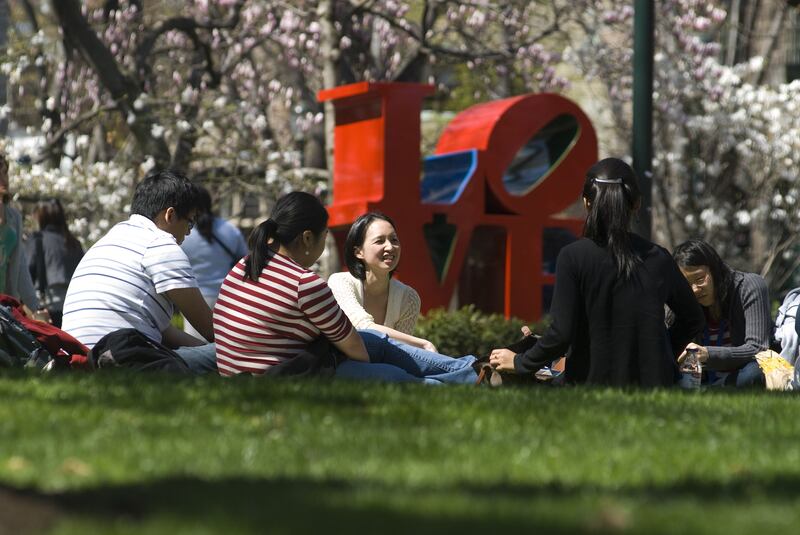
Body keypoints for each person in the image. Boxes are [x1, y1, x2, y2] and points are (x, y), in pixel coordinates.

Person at [213, 191, 478, 384]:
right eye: (324, 236)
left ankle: (473, 371)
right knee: (398, 375)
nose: (390, 248)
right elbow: (357, 349)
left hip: (250, 373)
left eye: (394, 240)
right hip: (287, 378)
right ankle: (473, 378)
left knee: (378, 342)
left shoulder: (245, 265)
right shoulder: (304, 283)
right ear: (307, 238)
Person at [488, 157, 705, 387]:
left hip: (589, 382)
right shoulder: (658, 257)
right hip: (654, 382)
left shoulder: (573, 256)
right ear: (636, 204)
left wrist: (521, 361)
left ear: (586, 203)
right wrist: (660, 353)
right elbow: (693, 318)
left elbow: (561, 335)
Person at [61, 170, 217, 374]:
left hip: (79, 356)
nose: (188, 232)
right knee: (236, 357)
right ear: (170, 215)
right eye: (190, 222)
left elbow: (164, 331)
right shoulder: (161, 245)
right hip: (125, 358)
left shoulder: (109, 240)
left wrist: (202, 348)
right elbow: (210, 329)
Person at [328, 212, 437, 352]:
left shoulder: (409, 298)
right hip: (344, 365)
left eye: (394, 240)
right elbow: (363, 326)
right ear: (358, 252)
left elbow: (402, 351)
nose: (390, 247)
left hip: (387, 365)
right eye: (380, 241)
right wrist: (423, 344)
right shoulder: (340, 282)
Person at [672, 239, 771, 387]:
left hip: (740, 375)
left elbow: (758, 348)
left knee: (756, 372)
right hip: (699, 380)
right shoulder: (681, 299)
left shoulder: (749, 286)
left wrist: (708, 354)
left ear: (714, 269)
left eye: (700, 279)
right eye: (686, 285)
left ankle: (710, 392)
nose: (694, 289)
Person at [180, 185, 247, 340]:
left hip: (194, 298)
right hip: (227, 297)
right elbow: (244, 260)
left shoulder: (183, 233)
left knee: (196, 349)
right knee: (225, 347)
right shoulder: (230, 229)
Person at [26, 199, 85, 327]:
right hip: (76, 308)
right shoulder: (74, 243)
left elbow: (27, 273)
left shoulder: (38, 239)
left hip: (47, 309)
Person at [0, 154, 41, 314]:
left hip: (5, 306)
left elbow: (21, 266)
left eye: (5, 173)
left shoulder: (14, 216)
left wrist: (35, 309)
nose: (4, 178)